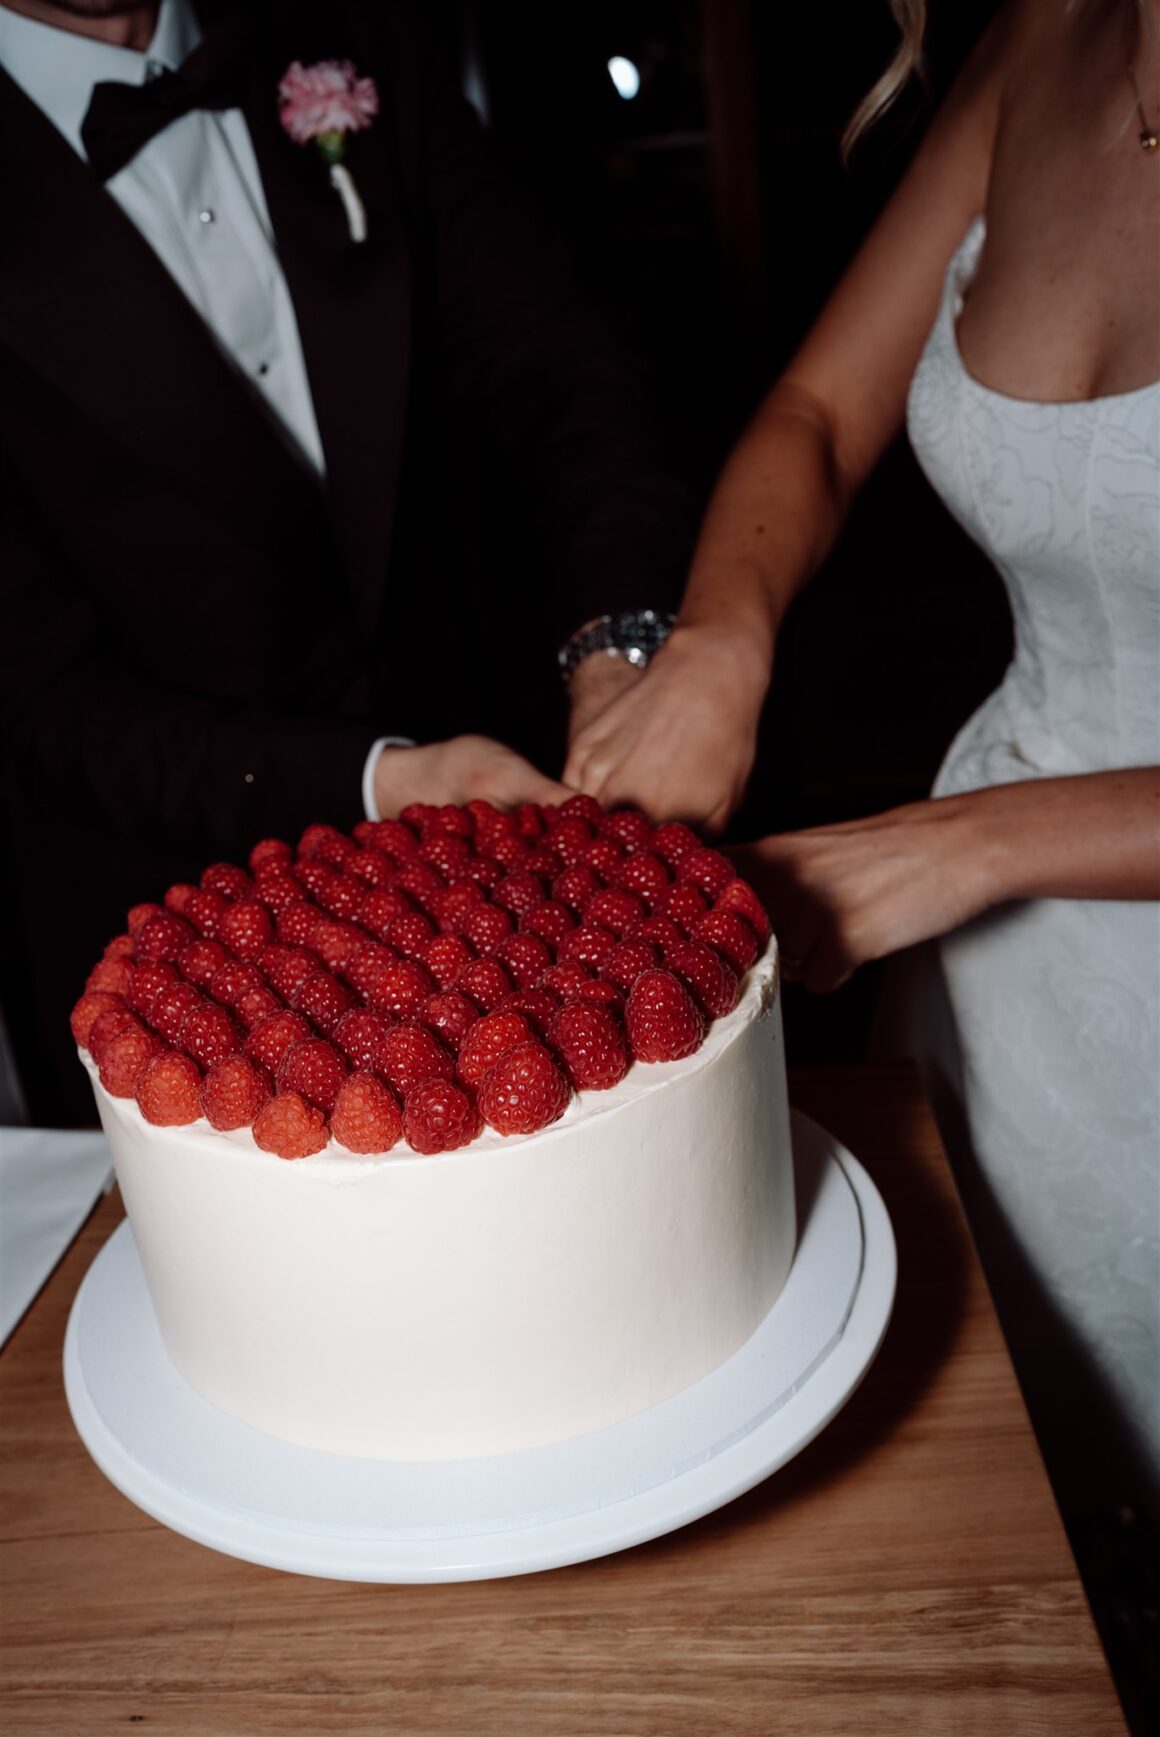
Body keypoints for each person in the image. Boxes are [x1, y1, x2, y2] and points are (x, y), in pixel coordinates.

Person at [567, 0, 1160, 1516]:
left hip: (973, 871)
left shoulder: (952, 857)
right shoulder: (1049, 36)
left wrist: (966, 848)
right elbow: (822, 414)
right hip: (992, 999)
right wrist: (718, 641)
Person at [0, 0, 693, 1120]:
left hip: (497, 875)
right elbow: (35, 697)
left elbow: (571, 373)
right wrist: (375, 777)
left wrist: (614, 647)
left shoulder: (350, 29)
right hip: (164, 962)